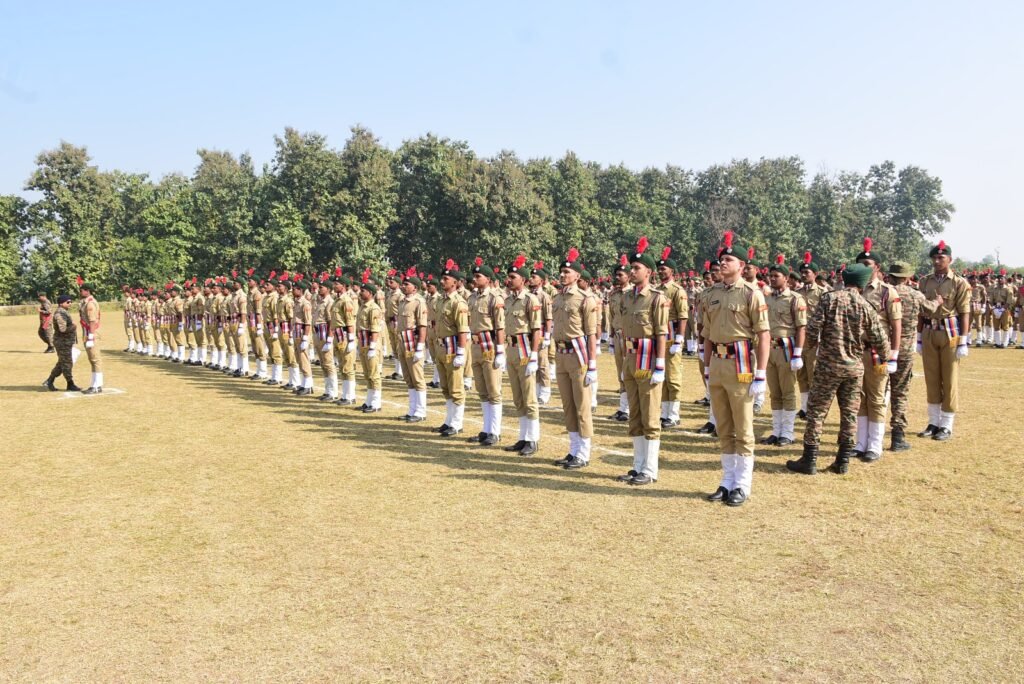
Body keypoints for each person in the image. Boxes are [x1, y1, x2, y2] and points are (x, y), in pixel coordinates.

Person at [786, 264, 889, 475]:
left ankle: (809, 460)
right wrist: (886, 358)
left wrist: (809, 348)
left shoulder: (829, 299)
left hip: (827, 366)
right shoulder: (866, 305)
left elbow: (812, 330)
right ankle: (842, 460)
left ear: (844, 279)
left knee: (816, 413)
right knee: (849, 415)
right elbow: (879, 338)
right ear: (862, 283)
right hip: (853, 368)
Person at [701, 233, 770, 507]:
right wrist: (707, 368)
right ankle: (727, 479)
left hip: (741, 365)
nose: (722, 263)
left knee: (743, 428)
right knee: (724, 426)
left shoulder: (751, 293)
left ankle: (742, 484)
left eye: (729, 259)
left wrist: (761, 374)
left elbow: (763, 334)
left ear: (742, 265)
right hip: (718, 363)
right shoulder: (711, 294)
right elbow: (707, 334)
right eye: (721, 259)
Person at [615, 238, 668, 485]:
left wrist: (660, 365)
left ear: (649, 272)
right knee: (635, 414)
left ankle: (650, 469)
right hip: (630, 358)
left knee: (650, 416)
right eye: (631, 268)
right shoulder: (626, 298)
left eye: (637, 268)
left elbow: (661, 333)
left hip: (648, 360)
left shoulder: (656, 298)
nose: (632, 271)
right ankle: (637, 465)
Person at [853, 238, 902, 463]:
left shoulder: (887, 292)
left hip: (877, 352)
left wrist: (893, 354)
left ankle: (874, 445)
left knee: (876, 398)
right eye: (860, 264)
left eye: (868, 264)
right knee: (859, 397)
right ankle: (860, 443)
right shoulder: (854, 290)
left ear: (877, 267)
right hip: (856, 351)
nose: (864, 268)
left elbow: (896, 325)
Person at [551, 248, 599, 470]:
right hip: (561, 354)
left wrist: (592, 365)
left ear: (577, 276)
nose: (563, 275)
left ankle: (583, 453)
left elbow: (591, 334)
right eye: (561, 272)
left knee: (582, 405)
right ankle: (573, 450)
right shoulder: (557, 298)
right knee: (568, 405)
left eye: (567, 272)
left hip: (578, 355)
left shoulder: (585, 299)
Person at [917, 240, 971, 441]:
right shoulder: (925, 281)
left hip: (950, 332)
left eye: (941, 257)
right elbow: (921, 310)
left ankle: (946, 424)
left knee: (949, 379)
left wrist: (963, 340)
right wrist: (919, 337)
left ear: (950, 259)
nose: (937, 261)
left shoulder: (959, 282)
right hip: (929, 331)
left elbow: (965, 312)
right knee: (931, 378)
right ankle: (933, 422)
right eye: (934, 257)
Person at [886, 262, 939, 451]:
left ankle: (870, 436)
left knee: (876, 392)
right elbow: (930, 309)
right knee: (900, 392)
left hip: (883, 347)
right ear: (908, 277)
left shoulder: (884, 293)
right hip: (904, 349)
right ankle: (897, 436)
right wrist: (938, 301)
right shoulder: (915, 294)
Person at [759, 255, 807, 447]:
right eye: (770, 276)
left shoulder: (795, 299)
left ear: (786, 278)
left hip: (786, 349)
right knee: (774, 392)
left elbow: (801, 327)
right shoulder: (766, 298)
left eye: (776, 276)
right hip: (769, 348)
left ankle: (788, 432)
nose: (772, 279)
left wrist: (798, 353)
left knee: (787, 392)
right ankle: (776, 430)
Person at [502, 255, 543, 456]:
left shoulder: (530, 300)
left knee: (529, 397)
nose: (508, 280)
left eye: (513, 277)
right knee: (518, 397)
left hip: (525, 350)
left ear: (523, 280)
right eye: (508, 277)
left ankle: (532, 439)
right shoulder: (508, 300)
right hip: (511, 349)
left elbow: (536, 330)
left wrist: (534, 356)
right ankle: (523, 436)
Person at [466, 258, 507, 445]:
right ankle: (486, 429)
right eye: (474, 276)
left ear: (488, 279)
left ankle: (495, 432)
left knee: (493, 390)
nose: (474, 279)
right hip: (475, 346)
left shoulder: (494, 298)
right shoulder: (472, 298)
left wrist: (500, 351)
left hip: (489, 345)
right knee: (482, 390)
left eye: (478, 276)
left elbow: (500, 327)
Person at [432, 260, 471, 436]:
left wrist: (461, 353)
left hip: (453, 347)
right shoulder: (441, 300)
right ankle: (448, 421)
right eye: (442, 278)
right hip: (441, 347)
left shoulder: (459, 303)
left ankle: (456, 423)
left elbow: (462, 329)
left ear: (455, 282)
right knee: (446, 387)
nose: (442, 281)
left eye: (446, 279)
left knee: (456, 388)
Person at [654, 247, 689, 429]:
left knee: (673, 377)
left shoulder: (677, 290)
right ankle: (665, 413)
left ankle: (674, 414)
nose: (660, 271)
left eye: (663, 269)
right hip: (660, 335)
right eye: (659, 269)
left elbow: (683, 316)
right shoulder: (656, 290)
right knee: (662, 376)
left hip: (672, 334)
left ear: (672, 271)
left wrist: (679, 339)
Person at [396, 268, 429, 422]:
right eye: (403, 284)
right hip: (402, 341)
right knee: (408, 377)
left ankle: (420, 411)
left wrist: (420, 347)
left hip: (413, 342)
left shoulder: (419, 302)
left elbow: (422, 326)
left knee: (417, 377)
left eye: (406, 284)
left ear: (415, 288)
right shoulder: (403, 301)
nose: (403, 286)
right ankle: (412, 409)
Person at [356, 272, 384, 412]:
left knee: (374, 374)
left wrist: (372, 347)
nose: (361, 293)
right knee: (367, 374)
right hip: (363, 342)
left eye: (363, 291)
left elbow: (375, 329)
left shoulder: (374, 308)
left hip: (371, 343)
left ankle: (376, 403)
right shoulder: (363, 306)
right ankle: (369, 401)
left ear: (371, 293)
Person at [607, 256, 631, 422]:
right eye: (616, 274)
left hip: (629, 336)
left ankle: (630, 407)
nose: (617, 277)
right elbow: (612, 316)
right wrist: (610, 337)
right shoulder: (613, 294)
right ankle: (623, 408)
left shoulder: (632, 294)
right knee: (620, 371)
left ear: (628, 276)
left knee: (629, 372)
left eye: (621, 275)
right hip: (617, 335)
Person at [43, 294, 81, 391]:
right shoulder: (60, 314)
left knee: (62, 363)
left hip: (65, 342)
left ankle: (50, 380)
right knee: (67, 363)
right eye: (68, 302)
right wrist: (73, 327)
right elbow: (63, 329)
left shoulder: (64, 312)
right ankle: (70, 383)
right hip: (62, 342)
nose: (70, 303)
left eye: (71, 301)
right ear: (61, 303)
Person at [75, 278, 105, 394]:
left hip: (92, 333)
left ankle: (97, 386)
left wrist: (91, 336)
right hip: (87, 333)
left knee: (96, 359)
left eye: (81, 290)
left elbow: (92, 321)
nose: (80, 292)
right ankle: (94, 384)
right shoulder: (85, 302)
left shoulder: (90, 304)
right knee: (92, 360)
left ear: (87, 291)